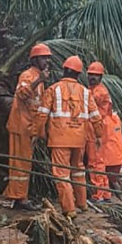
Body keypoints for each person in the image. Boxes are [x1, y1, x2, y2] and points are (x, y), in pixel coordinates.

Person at [34, 55, 102, 218]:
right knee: (78, 170)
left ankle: (69, 209)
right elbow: (96, 117)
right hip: (79, 139)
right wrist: (99, 136)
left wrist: (39, 134)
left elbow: (42, 115)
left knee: (61, 173)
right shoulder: (85, 93)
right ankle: (82, 203)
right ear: (79, 75)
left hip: (59, 138)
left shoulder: (53, 89)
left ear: (64, 70)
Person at [2, 42, 52, 210]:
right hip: (20, 126)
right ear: (35, 59)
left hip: (28, 127)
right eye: (43, 58)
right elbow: (22, 94)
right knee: (19, 163)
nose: (46, 61)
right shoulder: (28, 76)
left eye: (47, 58)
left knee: (24, 164)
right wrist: (39, 81)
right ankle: (19, 198)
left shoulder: (40, 79)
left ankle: (20, 196)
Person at [85, 61, 122, 201]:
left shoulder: (99, 92)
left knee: (96, 163)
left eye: (95, 75)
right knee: (98, 163)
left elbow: (87, 103)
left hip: (97, 130)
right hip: (96, 130)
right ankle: (105, 193)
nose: (92, 78)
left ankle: (100, 194)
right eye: (90, 75)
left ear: (101, 77)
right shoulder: (93, 90)